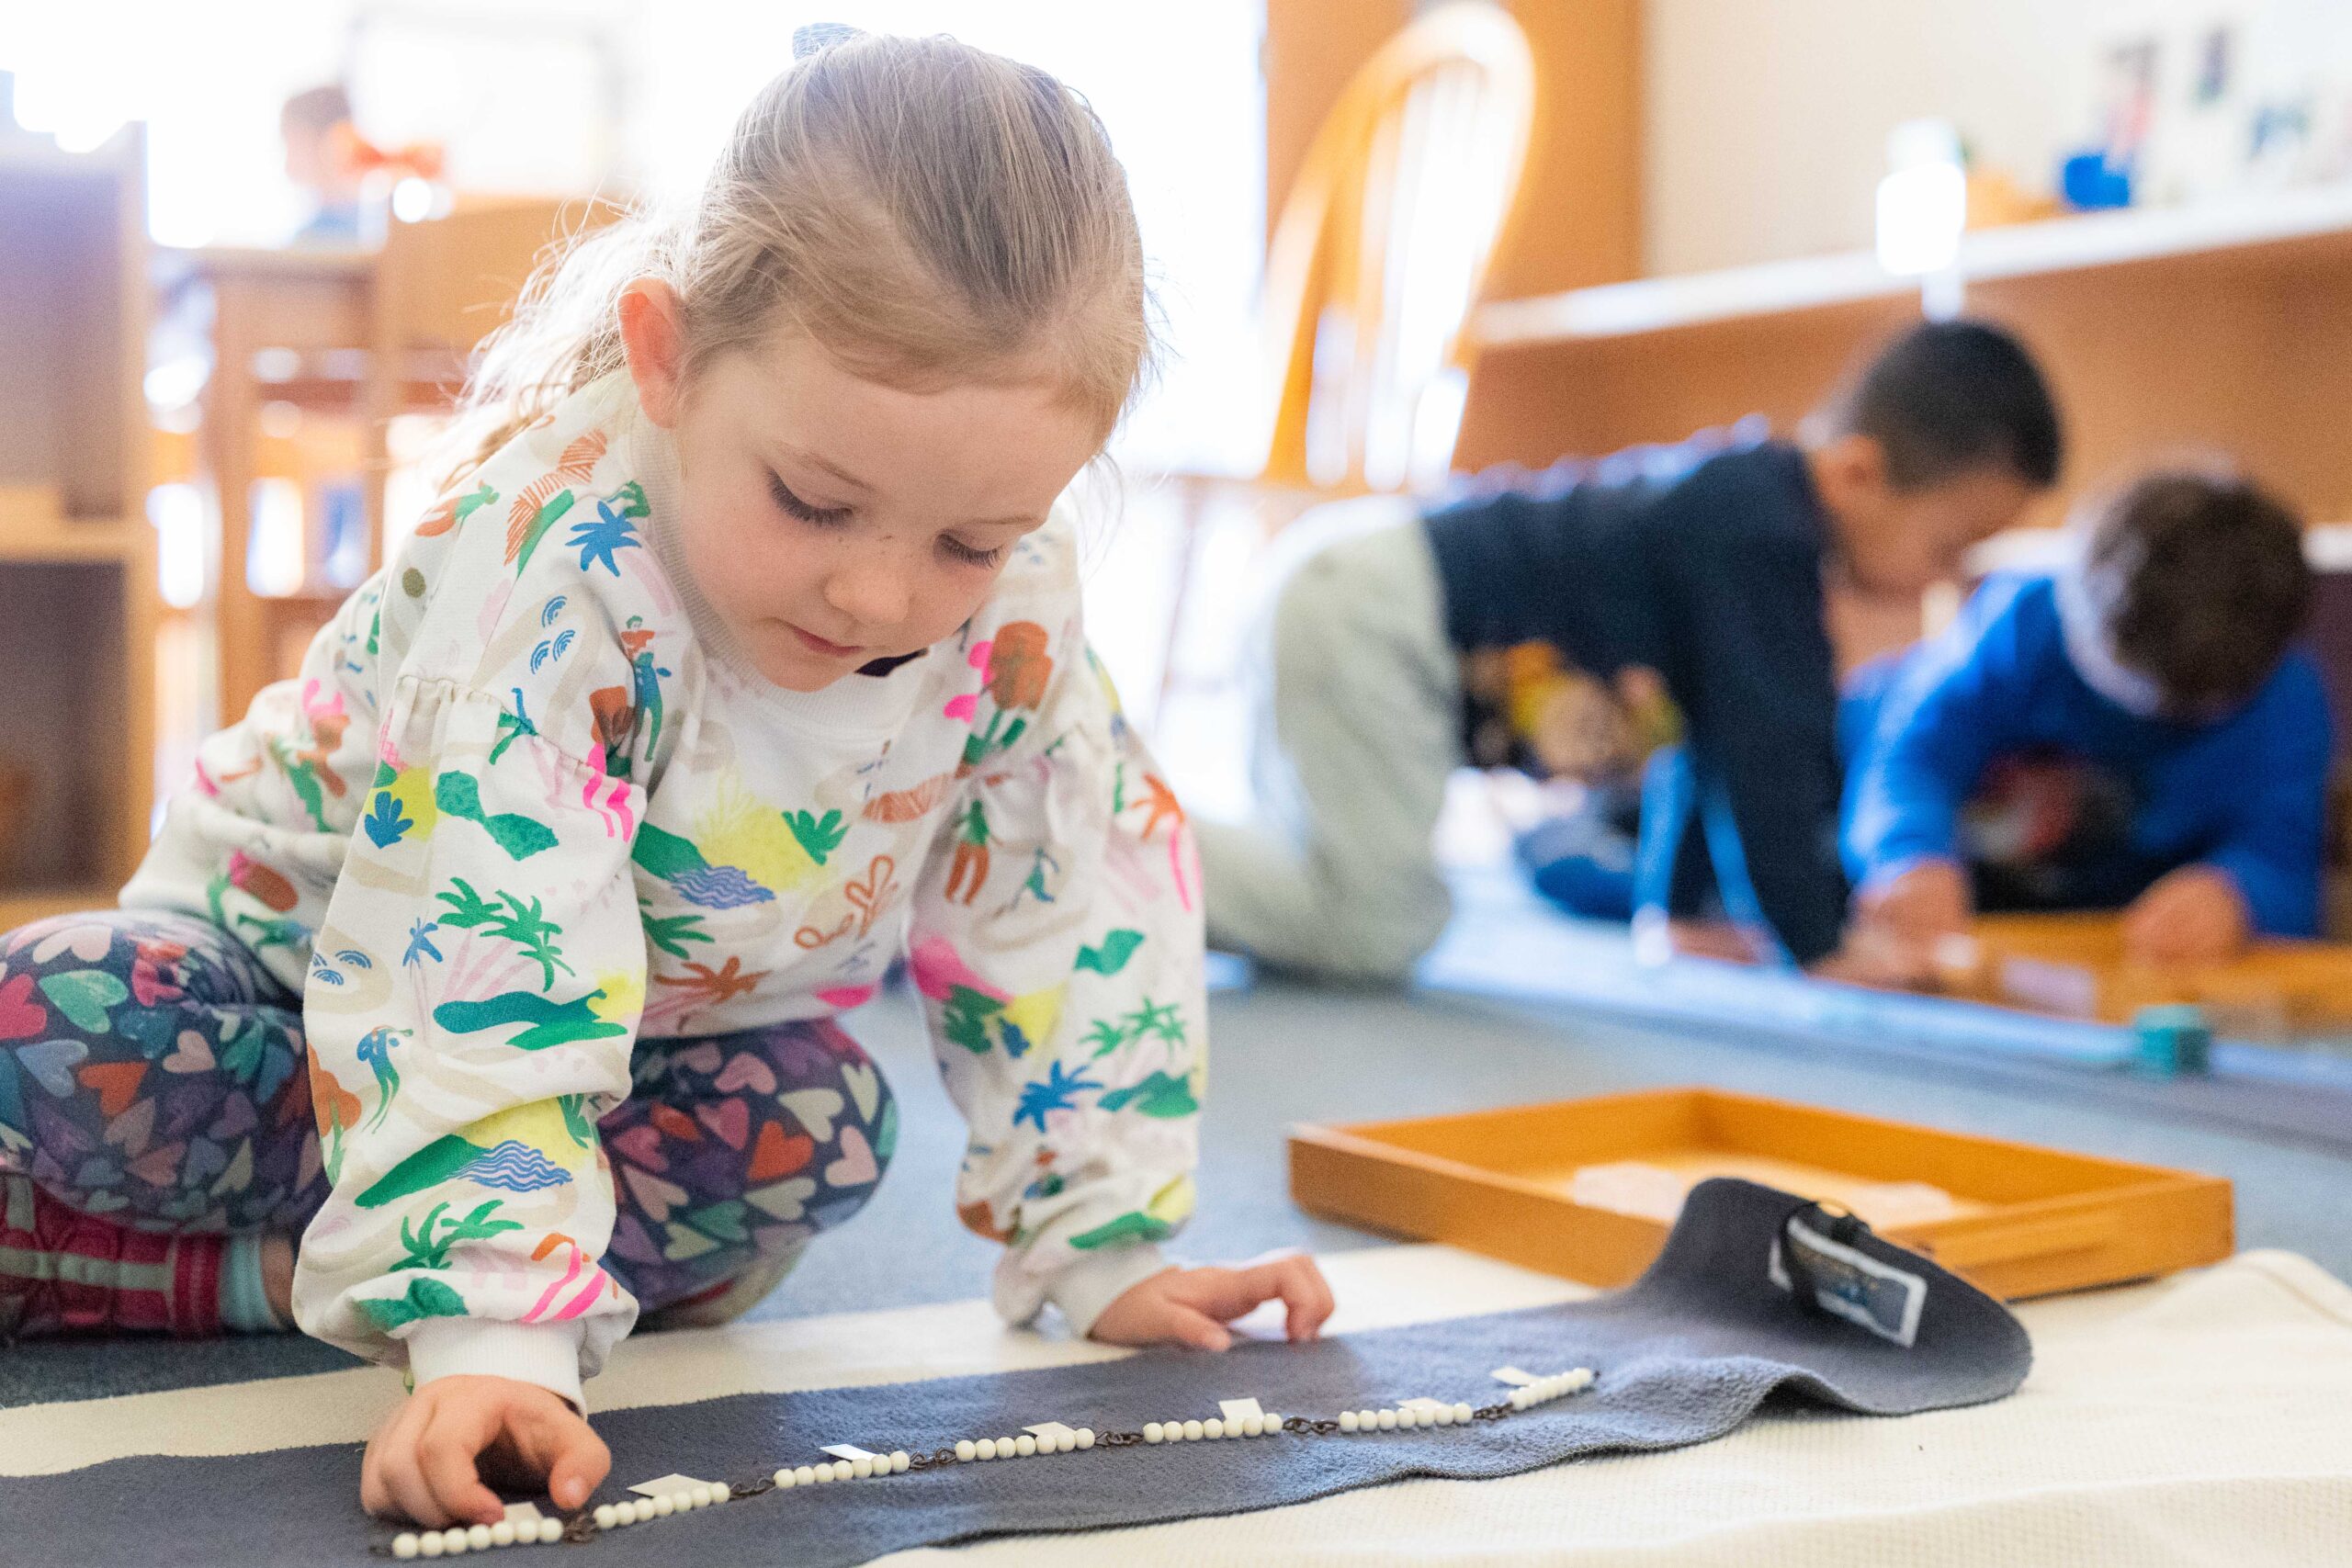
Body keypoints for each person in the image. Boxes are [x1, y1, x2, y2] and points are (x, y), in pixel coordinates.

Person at [0, 28, 1331, 1530]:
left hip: (613, 1046)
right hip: (287, 976)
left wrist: (1109, 1244)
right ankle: (406, 1258)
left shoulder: (1016, 606)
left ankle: (213, 1270)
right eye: (817, 503)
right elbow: (486, 938)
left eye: (972, 540)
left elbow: (1067, 899)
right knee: (47, 1015)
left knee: (823, 1121)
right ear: (669, 356)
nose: (887, 597)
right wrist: (496, 1336)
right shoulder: (555, 569)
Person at [1194, 320, 2064, 979]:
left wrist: (1674, 911)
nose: (1941, 582)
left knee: (1339, 889)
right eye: (1949, 547)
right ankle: (1120, 849)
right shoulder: (1763, 533)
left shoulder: (1748, 526)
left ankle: (1139, 852)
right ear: (1858, 475)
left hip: (1349, 591)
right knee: (1381, 923)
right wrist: (1824, 943)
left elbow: (1707, 736)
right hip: (1375, 614)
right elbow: (1770, 751)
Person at [1844, 468, 2329, 975]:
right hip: (1970, 939)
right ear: (2074, 609)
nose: (2149, 718)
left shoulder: (2287, 700)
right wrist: (1908, 854)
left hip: (2120, 960)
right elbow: (1907, 758)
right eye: (2126, 688)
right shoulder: (2019, 624)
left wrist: (2237, 897)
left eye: (2186, 713)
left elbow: (2285, 861)